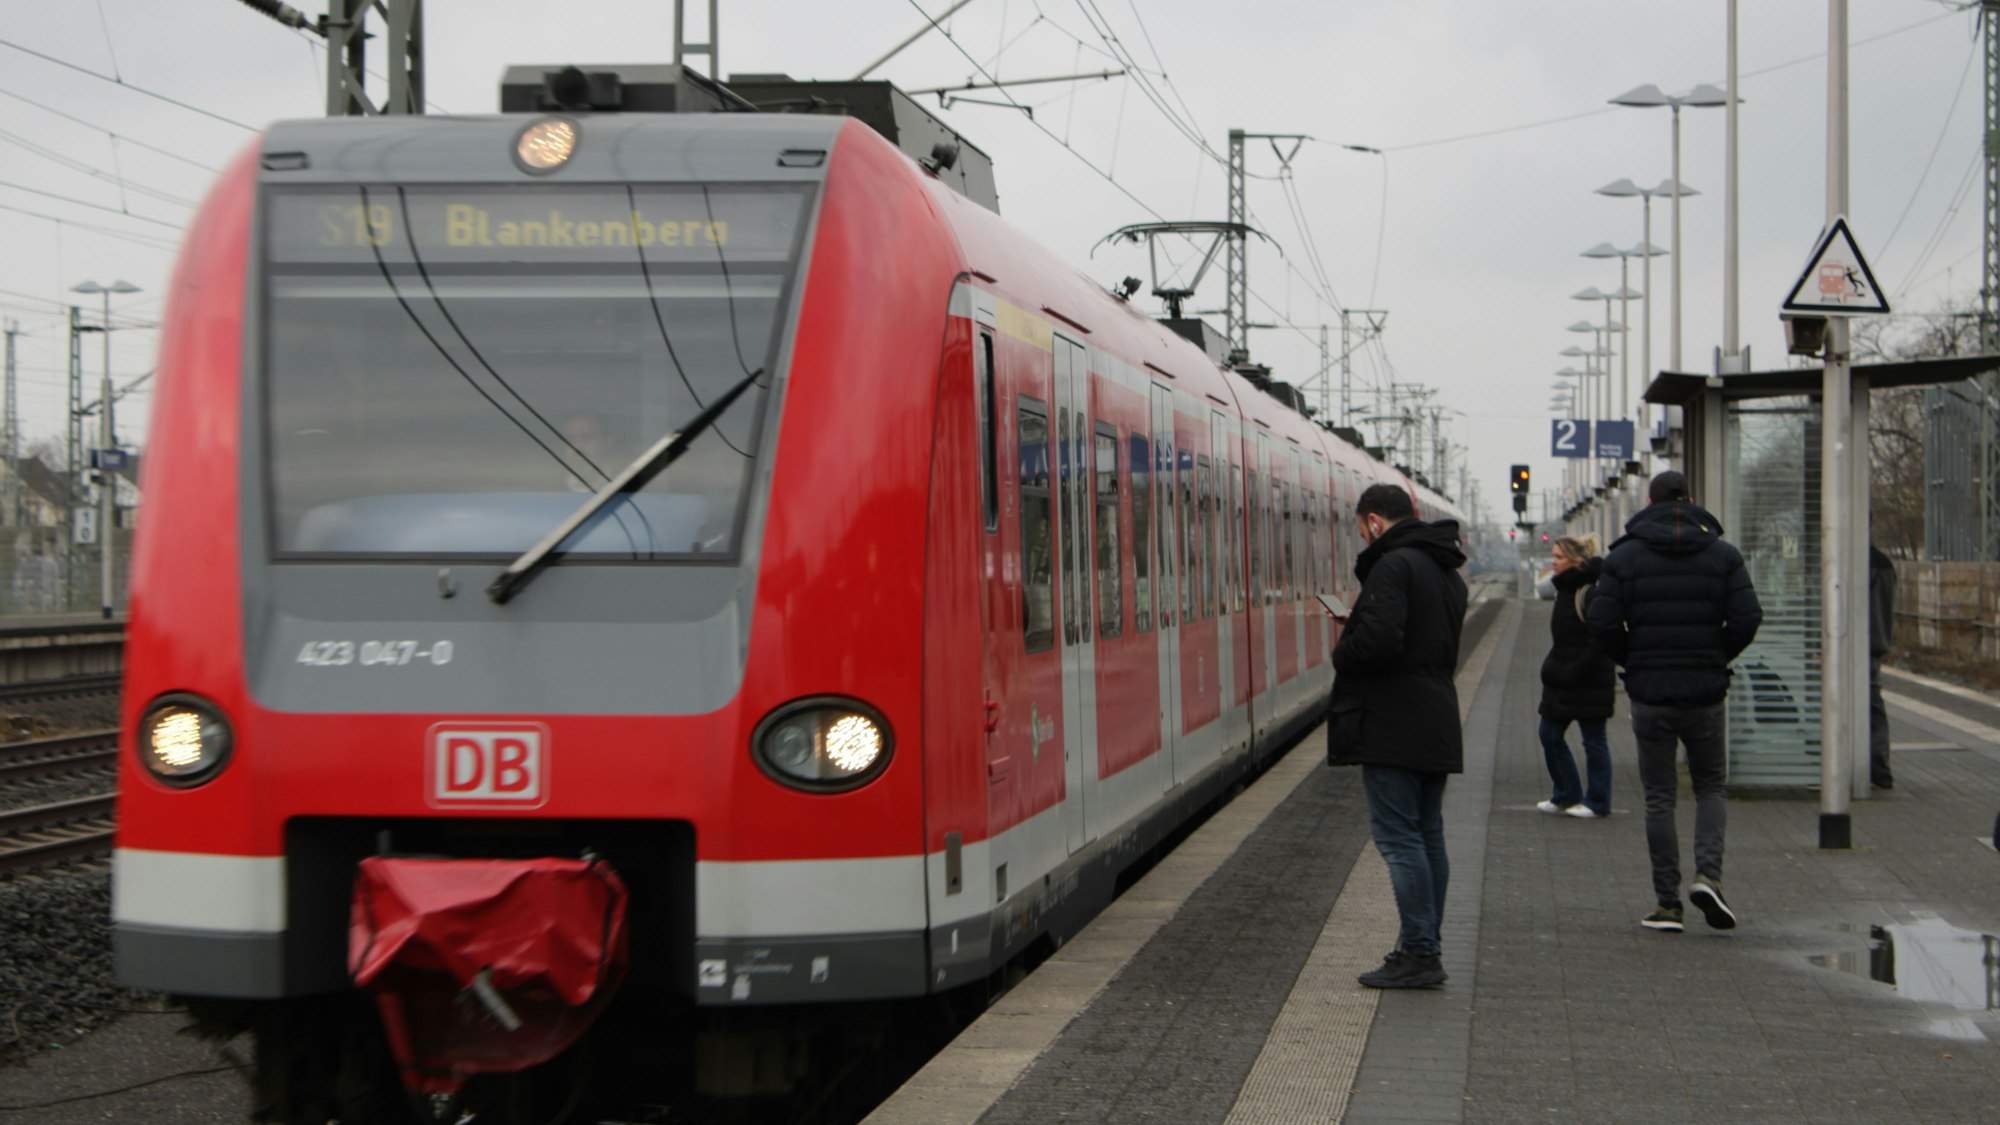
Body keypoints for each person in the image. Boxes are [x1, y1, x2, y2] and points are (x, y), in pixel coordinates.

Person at [1587, 470, 1762, 934]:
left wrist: (1635, 661)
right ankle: (1709, 877)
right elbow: (1748, 617)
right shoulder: (1723, 555)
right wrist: (1716, 655)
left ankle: (1667, 904)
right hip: (1705, 691)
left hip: (1650, 693)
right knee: (1710, 787)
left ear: (1650, 501)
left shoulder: (1624, 558)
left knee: (1660, 796)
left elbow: (1602, 623)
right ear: (1691, 498)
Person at [1327, 483, 1469, 989]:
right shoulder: (1445, 568)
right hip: (1435, 715)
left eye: (1361, 526)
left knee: (1398, 838)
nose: (1362, 535)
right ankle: (1425, 946)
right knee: (1428, 834)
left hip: (1393, 720)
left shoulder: (1392, 565)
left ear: (1374, 522)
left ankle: (1420, 952)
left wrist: (1344, 646)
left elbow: (1381, 643)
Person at [1536, 535, 1615, 819]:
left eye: (1558, 558)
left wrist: (1574, 669)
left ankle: (1597, 801)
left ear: (1576, 561)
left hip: (1589, 679)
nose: (1552, 563)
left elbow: (1598, 639)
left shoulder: (1588, 593)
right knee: (1549, 734)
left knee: (1593, 739)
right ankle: (1566, 792)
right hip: (1563, 678)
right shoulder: (1565, 592)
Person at [1868, 543, 1896, 790]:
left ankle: (1879, 770)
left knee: (1872, 708)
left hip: (1862, 646)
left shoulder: (1857, 562)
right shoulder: (1885, 563)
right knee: (1874, 709)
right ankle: (1880, 769)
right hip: (1878, 644)